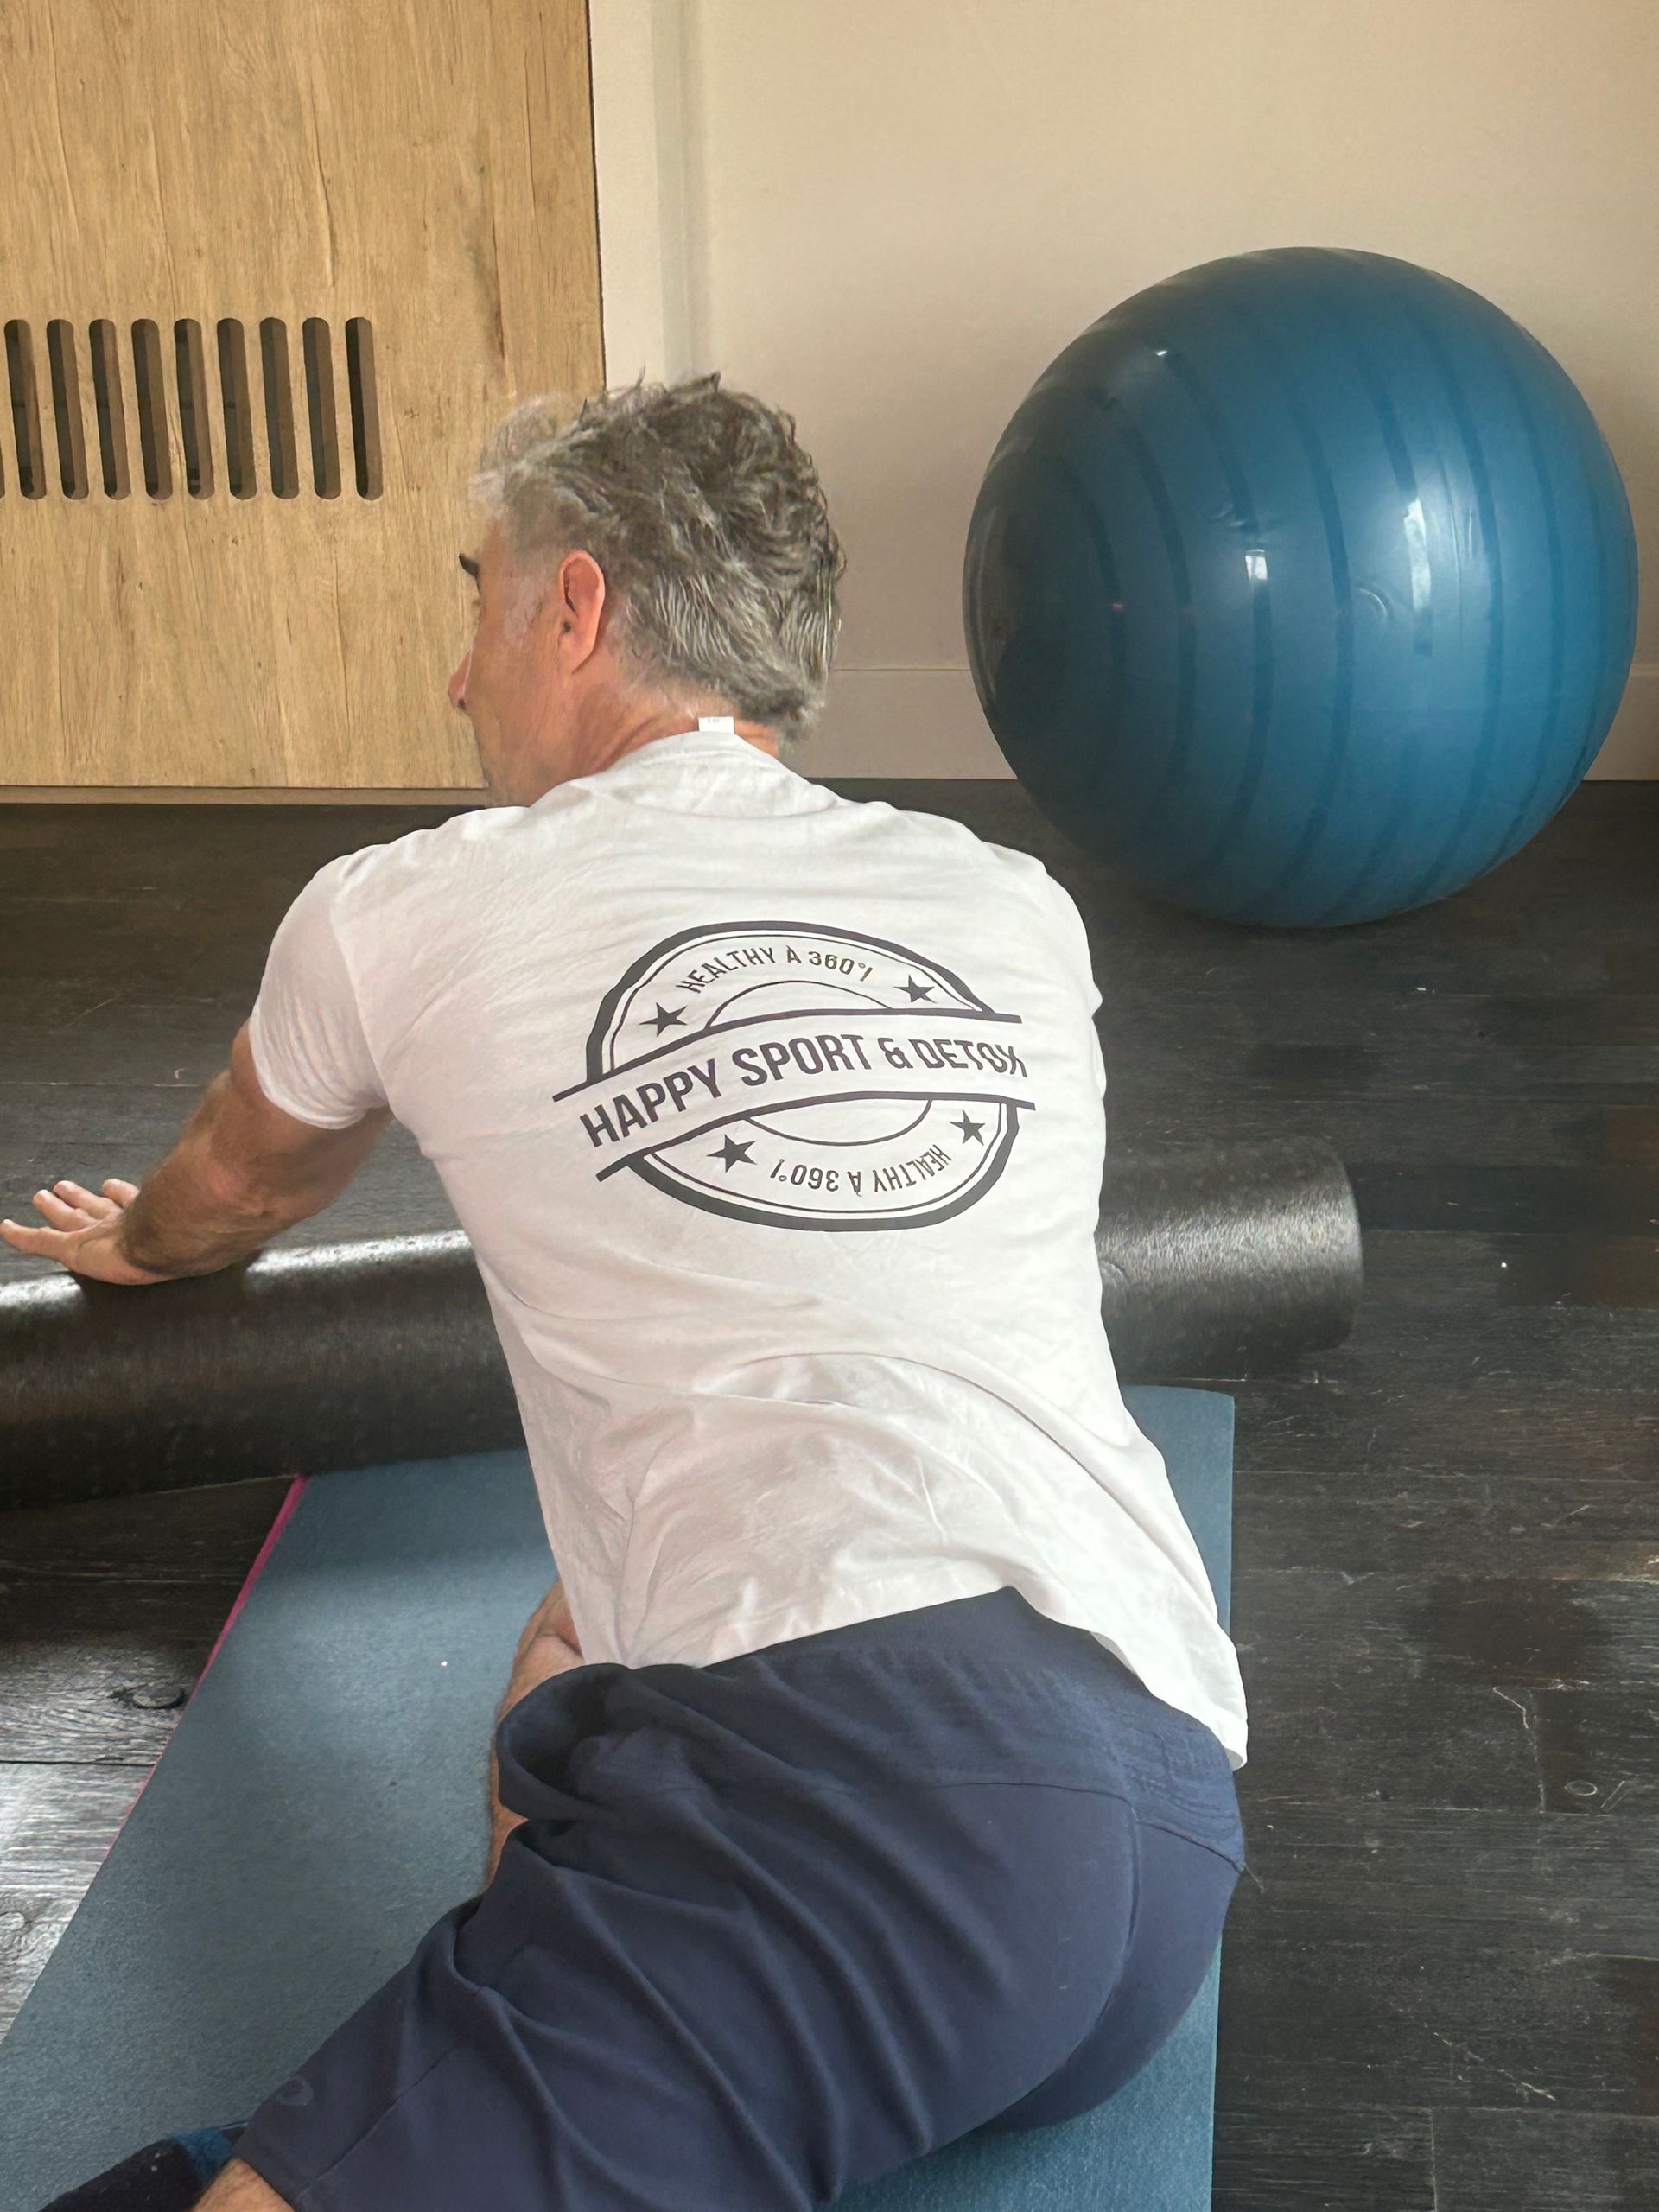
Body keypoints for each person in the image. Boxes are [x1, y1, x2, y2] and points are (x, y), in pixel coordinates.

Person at [10, 375, 1249, 2212]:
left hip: (861, 1828)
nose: (457, 670)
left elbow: (235, 1183)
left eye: (475, 593)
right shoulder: (1008, 901)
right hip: (1158, 1828)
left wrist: (139, 1248)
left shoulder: (399, 905)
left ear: (573, 606)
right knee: (568, 1657)